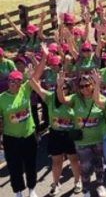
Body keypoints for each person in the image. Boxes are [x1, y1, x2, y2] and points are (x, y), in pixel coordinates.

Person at [28, 49, 81, 196]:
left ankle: (78, 181)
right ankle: (56, 184)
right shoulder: (50, 97)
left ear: (68, 89)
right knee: (56, 162)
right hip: (56, 133)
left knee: (74, 160)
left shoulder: (74, 99)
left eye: (64, 88)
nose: (61, 90)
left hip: (71, 133)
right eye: (59, 87)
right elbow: (34, 85)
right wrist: (40, 62)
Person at [57, 73, 106, 197]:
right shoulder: (75, 99)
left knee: (99, 165)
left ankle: (100, 185)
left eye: (87, 85)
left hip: (98, 140)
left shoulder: (101, 99)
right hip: (82, 142)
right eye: (81, 86)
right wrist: (59, 86)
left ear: (93, 85)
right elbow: (62, 99)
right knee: (85, 168)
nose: (84, 88)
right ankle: (86, 189)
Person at [0, 70, 39, 197]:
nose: (15, 84)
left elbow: (36, 74)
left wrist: (44, 57)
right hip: (11, 138)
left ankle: (32, 189)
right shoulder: (1, 99)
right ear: (8, 82)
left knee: (30, 164)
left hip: (28, 135)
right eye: (12, 81)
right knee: (14, 167)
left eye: (18, 81)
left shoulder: (25, 89)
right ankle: (18, 191)